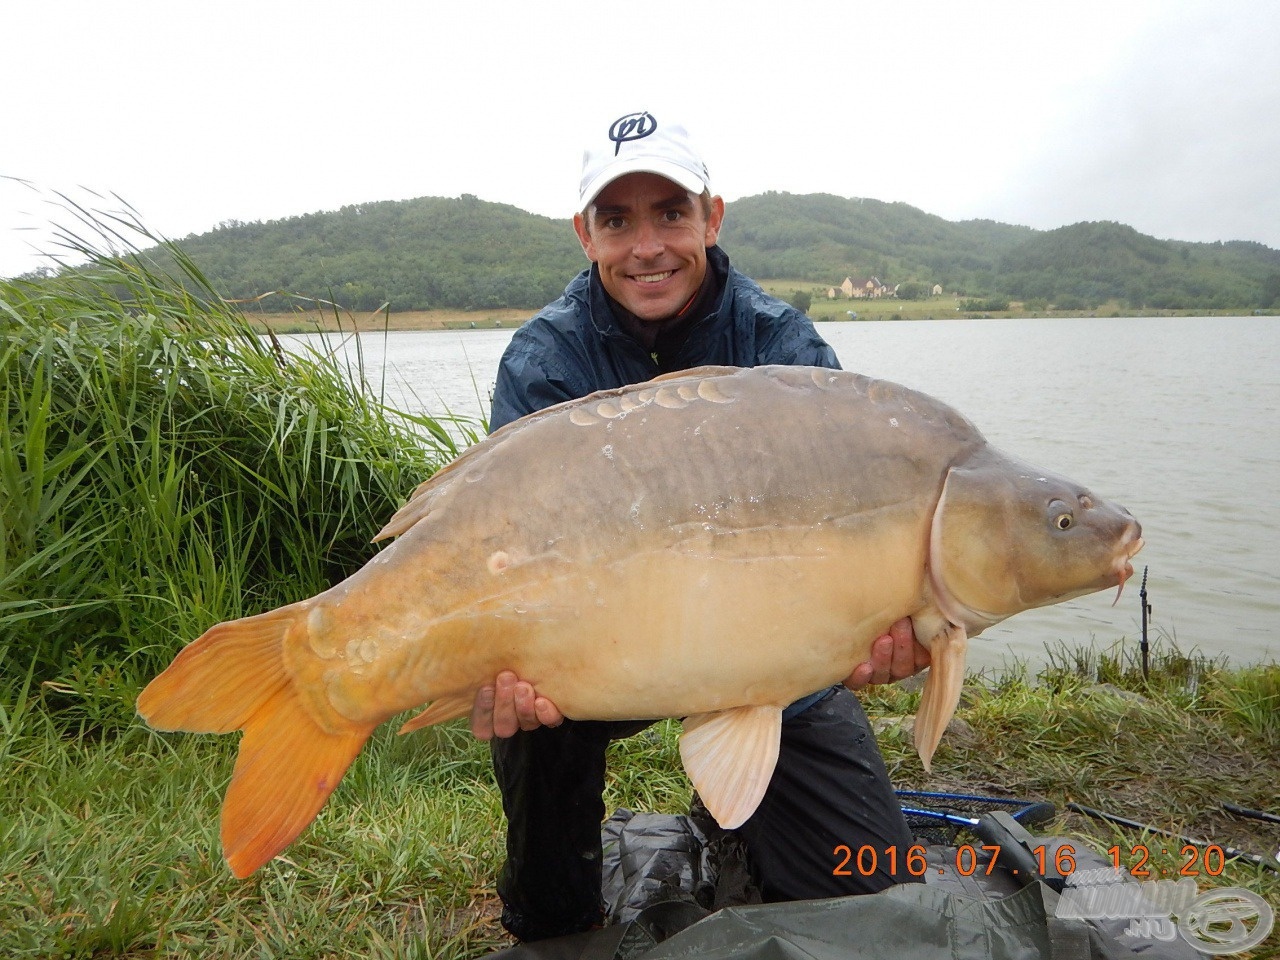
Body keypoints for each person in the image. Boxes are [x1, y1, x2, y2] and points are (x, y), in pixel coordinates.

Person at [469, 111, 931, 943]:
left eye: (670, 214)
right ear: (585, 235)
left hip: (769, 657)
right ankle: (552, 898)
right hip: (599, 657)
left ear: (712, 218)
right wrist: (500, 655)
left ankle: (734, 814)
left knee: (873, 895)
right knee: (546, 864)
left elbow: (851, 527)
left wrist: (879, 621)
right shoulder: (545, 362)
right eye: (617, 220)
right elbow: (510, 544)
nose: (646, 246)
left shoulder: (780, 346)